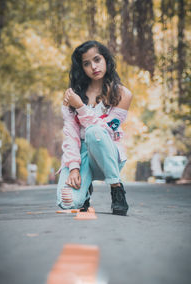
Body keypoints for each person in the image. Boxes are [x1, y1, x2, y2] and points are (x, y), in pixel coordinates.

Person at [56, 40, 133, 216]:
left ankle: (116, 187)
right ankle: (84, 193)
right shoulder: (73, 95)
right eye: (86, 63)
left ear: (106, 60)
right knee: (67, 201)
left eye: (97, 59)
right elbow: (71, 134)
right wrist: (74, 167)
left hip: (108, 156)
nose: (94, 66)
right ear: (81, 68)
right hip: (80, 154)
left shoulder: (123, 94)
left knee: (94, 132)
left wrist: (81, 108)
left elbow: (107, 131)